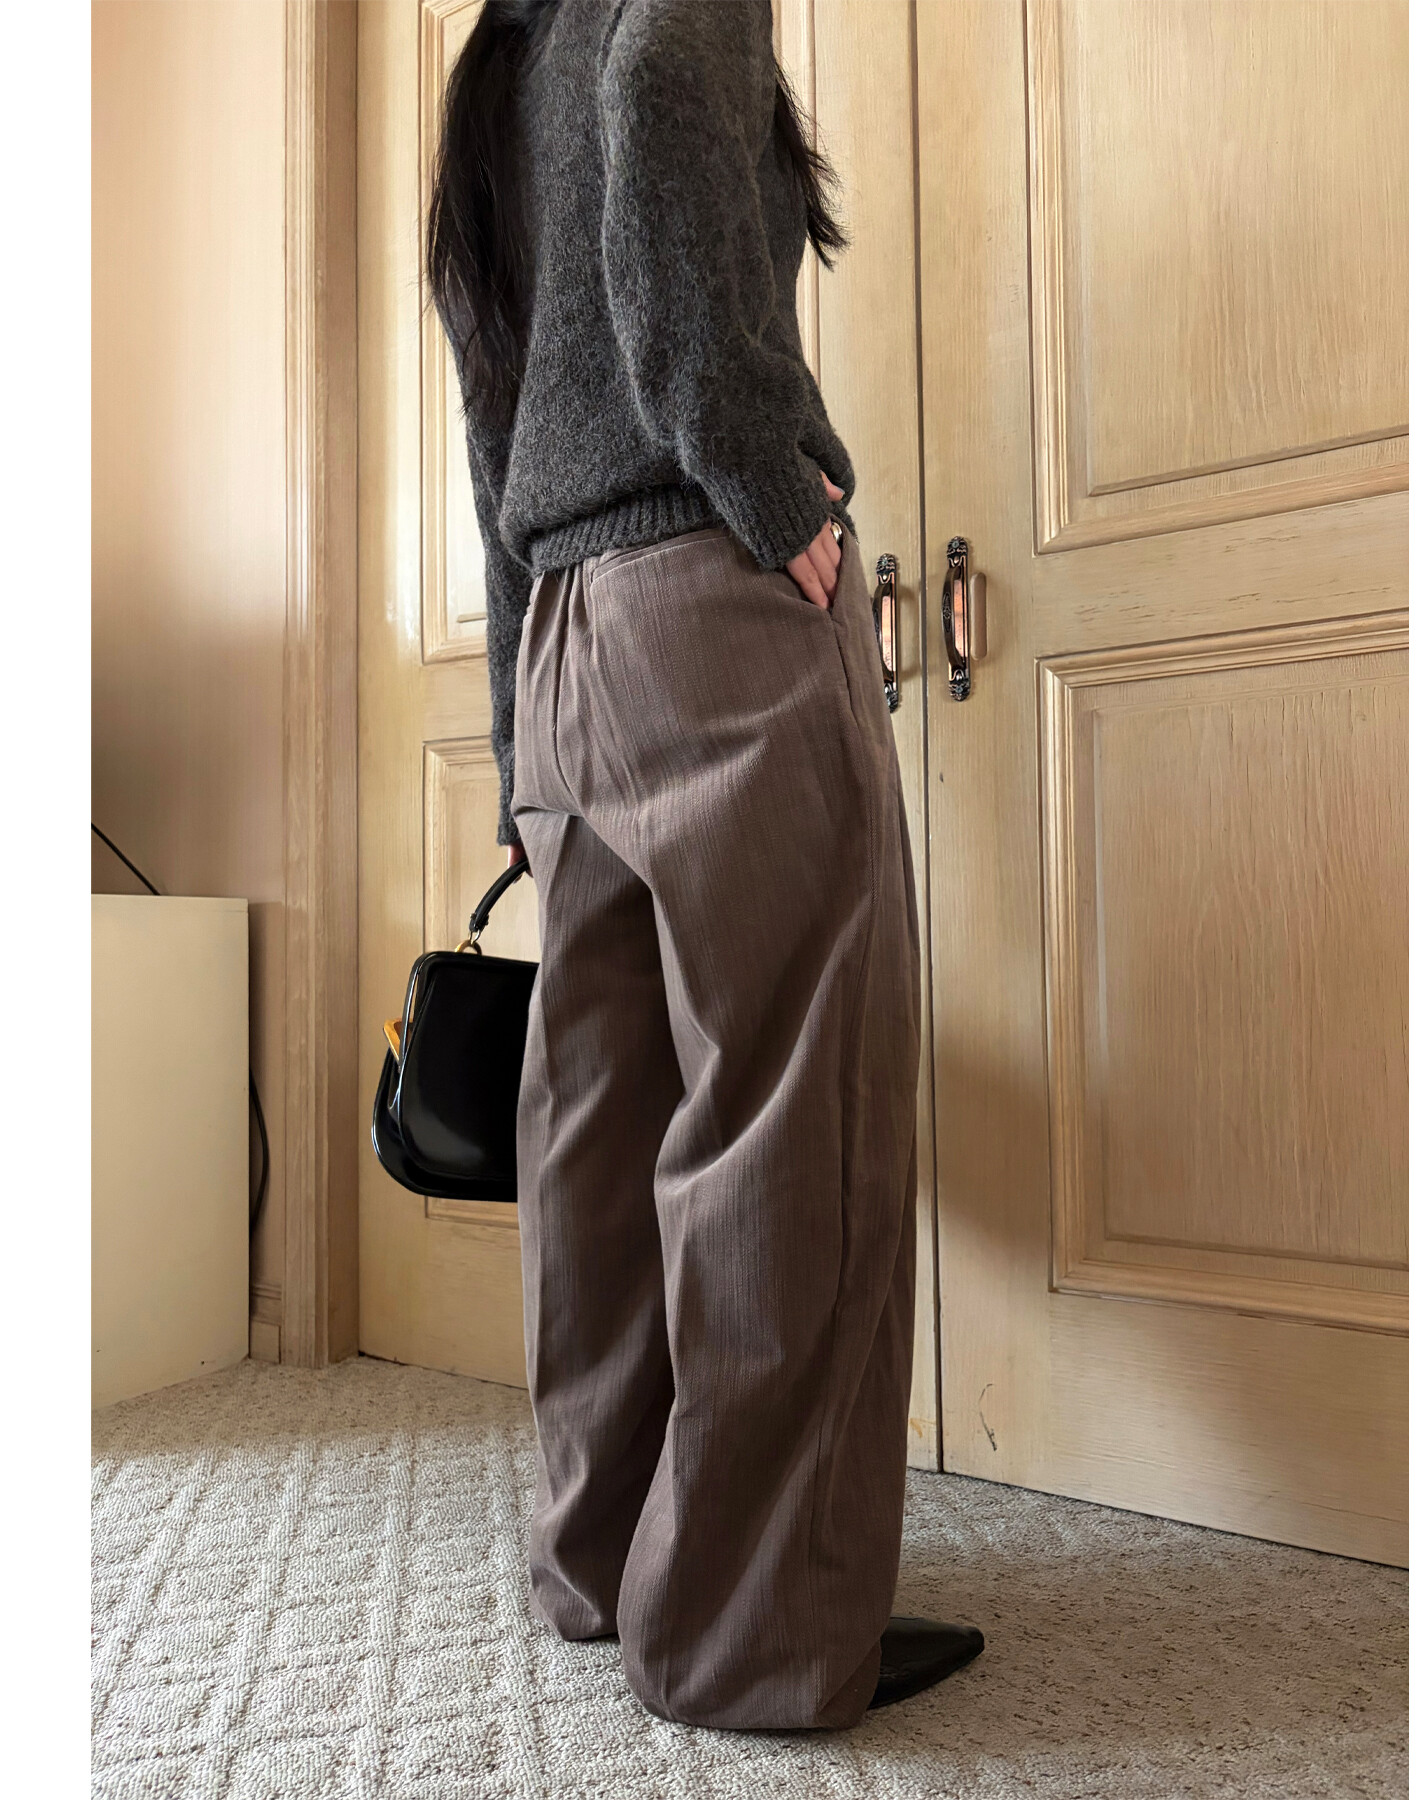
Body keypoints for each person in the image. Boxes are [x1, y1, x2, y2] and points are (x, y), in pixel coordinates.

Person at [428, 0, 982, 1730]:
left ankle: (602, 1559)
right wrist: (773, 482)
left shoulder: (504, 60)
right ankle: (750, 1627)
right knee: (789, 1116)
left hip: (567, 636)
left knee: (597, 1128)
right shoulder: (660, 19)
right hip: (708, 611)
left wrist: (520, 741)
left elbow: (494, 425)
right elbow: (672, 84)